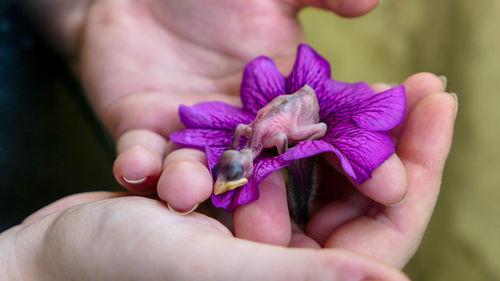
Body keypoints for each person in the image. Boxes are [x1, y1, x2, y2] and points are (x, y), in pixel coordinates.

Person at [0, 0, 457, 279]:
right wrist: (27, 264)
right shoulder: (245, 143)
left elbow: (289, 129)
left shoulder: (261, 134)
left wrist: (90, 15)